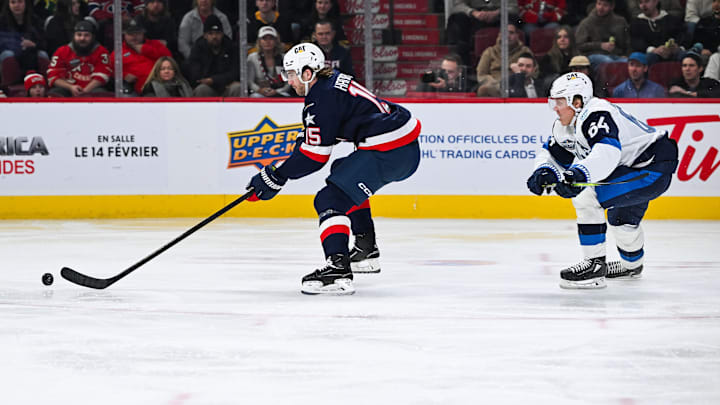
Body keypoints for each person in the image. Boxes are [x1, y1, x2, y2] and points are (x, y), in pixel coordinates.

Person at [245, 43, 421, 295]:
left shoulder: (320, 97)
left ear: (308, 74)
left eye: (292, 74)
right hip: (403, 147)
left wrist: (274, 177)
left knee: (329, 199)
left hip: (389, 151)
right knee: (342, 172)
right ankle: (365, 249)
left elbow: (315, 157)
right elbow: (324, 133)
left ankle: (338, 268)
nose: (289, 80)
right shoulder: (332, 82)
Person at [526, 72, 679, 289]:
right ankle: (632, 265)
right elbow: (552, 155)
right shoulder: (566, 125)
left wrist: (578, 175)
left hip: (652, 169)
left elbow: (607, 152)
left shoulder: (596, 113)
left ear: (577, 101)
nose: (555, 108)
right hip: (636, 169)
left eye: (559, 102)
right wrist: (544, 171)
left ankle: (594, 267)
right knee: (621, 221)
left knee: (586, 194)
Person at [46, 19, 112, 97]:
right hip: (68, 89)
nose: (82, 38)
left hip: (92, 89)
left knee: (100, 94)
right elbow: (53, 75)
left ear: (93, 37)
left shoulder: (101, 51)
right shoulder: (62, 51)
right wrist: (70, 87)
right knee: (54, 94)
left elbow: (103, 75)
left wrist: (85, 91)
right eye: (79, 35)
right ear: (74, 36)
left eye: (86, 35)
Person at [110, 16, 171, 96]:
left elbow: (169, 60)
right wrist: (124, 75)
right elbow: (110, 70)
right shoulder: (118, 52)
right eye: (131, 34)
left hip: (160, 84)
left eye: (138, 33)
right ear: (124, 34)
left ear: (143, 33)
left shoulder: (156, 45)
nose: (134, 36)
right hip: (134, 89)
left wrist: (145, 49)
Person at [446, 0, 519, 65]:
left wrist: (497, 12)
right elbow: (458, 5)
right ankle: (462, 65)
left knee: (513, 18)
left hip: (501, 14)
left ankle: (510, 63)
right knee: (456, 19)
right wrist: (473, 12)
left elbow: (514, 8)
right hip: (476, 15)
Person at [186, 14, 242, 97]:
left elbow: (235, 72)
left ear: (222, 34)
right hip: (208, 87)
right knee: (201, 89)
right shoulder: (198, 48)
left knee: (238, 87)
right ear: (205, 35)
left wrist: (214, 80)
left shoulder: (231, 47)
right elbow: (195, 74)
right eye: (210, 33)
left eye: (217, 33)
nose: (214, 36)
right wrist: (210, 81)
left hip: (227, 86)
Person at [476, 21, 533, 96]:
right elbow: (481, 75)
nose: (507, 36)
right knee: (483, 89)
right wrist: (498, 84)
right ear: (499, 35)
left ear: (517, 35)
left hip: (518, 86)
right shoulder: (489, 52)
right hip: (495, 87)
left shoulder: (525, 51)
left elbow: (534, 71)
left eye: (511, 33)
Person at [0, 0, 49, 87]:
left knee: (43, 55)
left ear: (26, 3)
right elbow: (2, 42)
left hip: (31, 52)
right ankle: (8, 87)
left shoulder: (35, 20)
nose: (16, 5)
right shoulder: (2, 21)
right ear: (8, 4)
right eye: (13, 2)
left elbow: (44, 42)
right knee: (7, 54)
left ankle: (45, 87)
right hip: (11, 52)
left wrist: (34, 45)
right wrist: (19, 46)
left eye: (20, 2)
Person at [575, 0, 630, 68]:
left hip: (616, 54)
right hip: (593, 54)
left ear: (612, 7)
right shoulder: (587, 22)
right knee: (608, 62)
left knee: (626, 62)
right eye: (599, 4)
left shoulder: (620, 21)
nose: (601, 7)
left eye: (605, 5)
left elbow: (627, 41)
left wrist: (627, 55)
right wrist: (600, 45)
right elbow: (579, 45)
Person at [630, 0, 686, 65]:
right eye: (640, 3)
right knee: (649, 57)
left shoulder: (670, 19)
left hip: (672, 53)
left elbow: (681, 36)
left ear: (656, 2)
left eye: (647, 1)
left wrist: (676, 47)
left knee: (684, 55)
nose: (643, 5)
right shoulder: (636, 23)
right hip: (651, 54)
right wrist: (653, 50)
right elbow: (636, 42)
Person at [247, 25, 291, 97]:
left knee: (285, 95)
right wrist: (259, 90)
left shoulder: (285, 58)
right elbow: (250, 81)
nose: (268, 42)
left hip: (279, 91)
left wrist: (276, 91)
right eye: (264, 39)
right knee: (255, 97)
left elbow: (289, 82)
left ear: (276, 41)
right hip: (259, 93)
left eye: (271, 39)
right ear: (259, 41)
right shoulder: (252, 58)